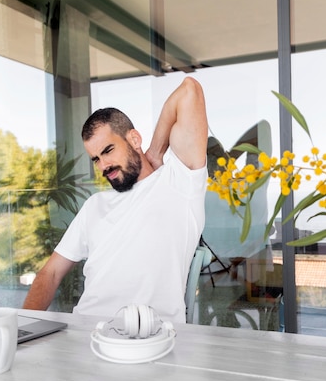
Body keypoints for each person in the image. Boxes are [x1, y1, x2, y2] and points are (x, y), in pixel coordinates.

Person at [22, 77, 208, 323]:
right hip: (86, 332)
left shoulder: (179, 183)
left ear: (134, 139)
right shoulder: (95, 205)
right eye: (96, 159)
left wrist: (155, 151)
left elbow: (189, 90)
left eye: (108, 150)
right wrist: (22, 327)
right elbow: (51, 273)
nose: (104, 165)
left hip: (151, 337)